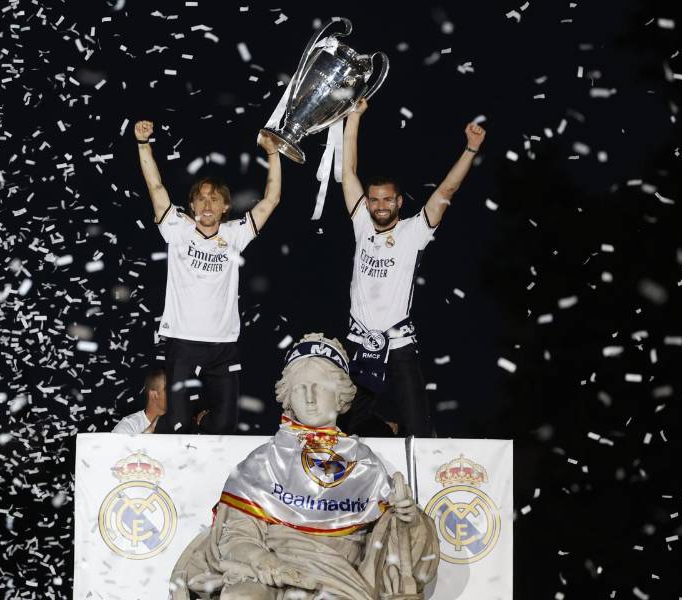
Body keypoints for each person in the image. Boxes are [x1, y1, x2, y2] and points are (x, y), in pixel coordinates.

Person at [169, 333, 439, 599]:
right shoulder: (264, 461)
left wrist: (408, 520)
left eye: (320, 386)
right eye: (300, 388)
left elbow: (395, 548)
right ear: (288, 395)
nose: (310, 397)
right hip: (269, 573)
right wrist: (264, 561)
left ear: (340, 395)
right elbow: (236, 535)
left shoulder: (364, 463)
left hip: (336, 579)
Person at [339, 98, 487, 438]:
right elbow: (348, 172)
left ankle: (403, 436)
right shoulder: (362, 224)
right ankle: (383, 431)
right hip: (358, 341)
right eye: (374, 199)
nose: (380, 205)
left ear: (399, 202)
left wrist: (471, 149)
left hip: (399, 343)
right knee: (345, 429)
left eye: (387, 199)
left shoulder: (414, 231)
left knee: (418, 429)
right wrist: (354, 117)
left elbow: (447, 189)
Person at [133, 119, 283, 434]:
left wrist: (273, 154)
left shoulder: (235, 234)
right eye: (200, 198)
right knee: (177, 424)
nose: (207, 204)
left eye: (214, 198)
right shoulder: (178, 229)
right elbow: (156, 188)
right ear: (191, 205)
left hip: (223, 344)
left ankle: (201, 422)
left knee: (225, 425)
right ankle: (167, 431)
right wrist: (143, 144)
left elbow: (271, 201)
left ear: (226, 206)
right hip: (183, 342)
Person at [112, 368, 167, 434]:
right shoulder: (127, 427)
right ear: (154, 394)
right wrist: (150, 431)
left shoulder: (177, 425)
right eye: (169, 390)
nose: (175, 395)